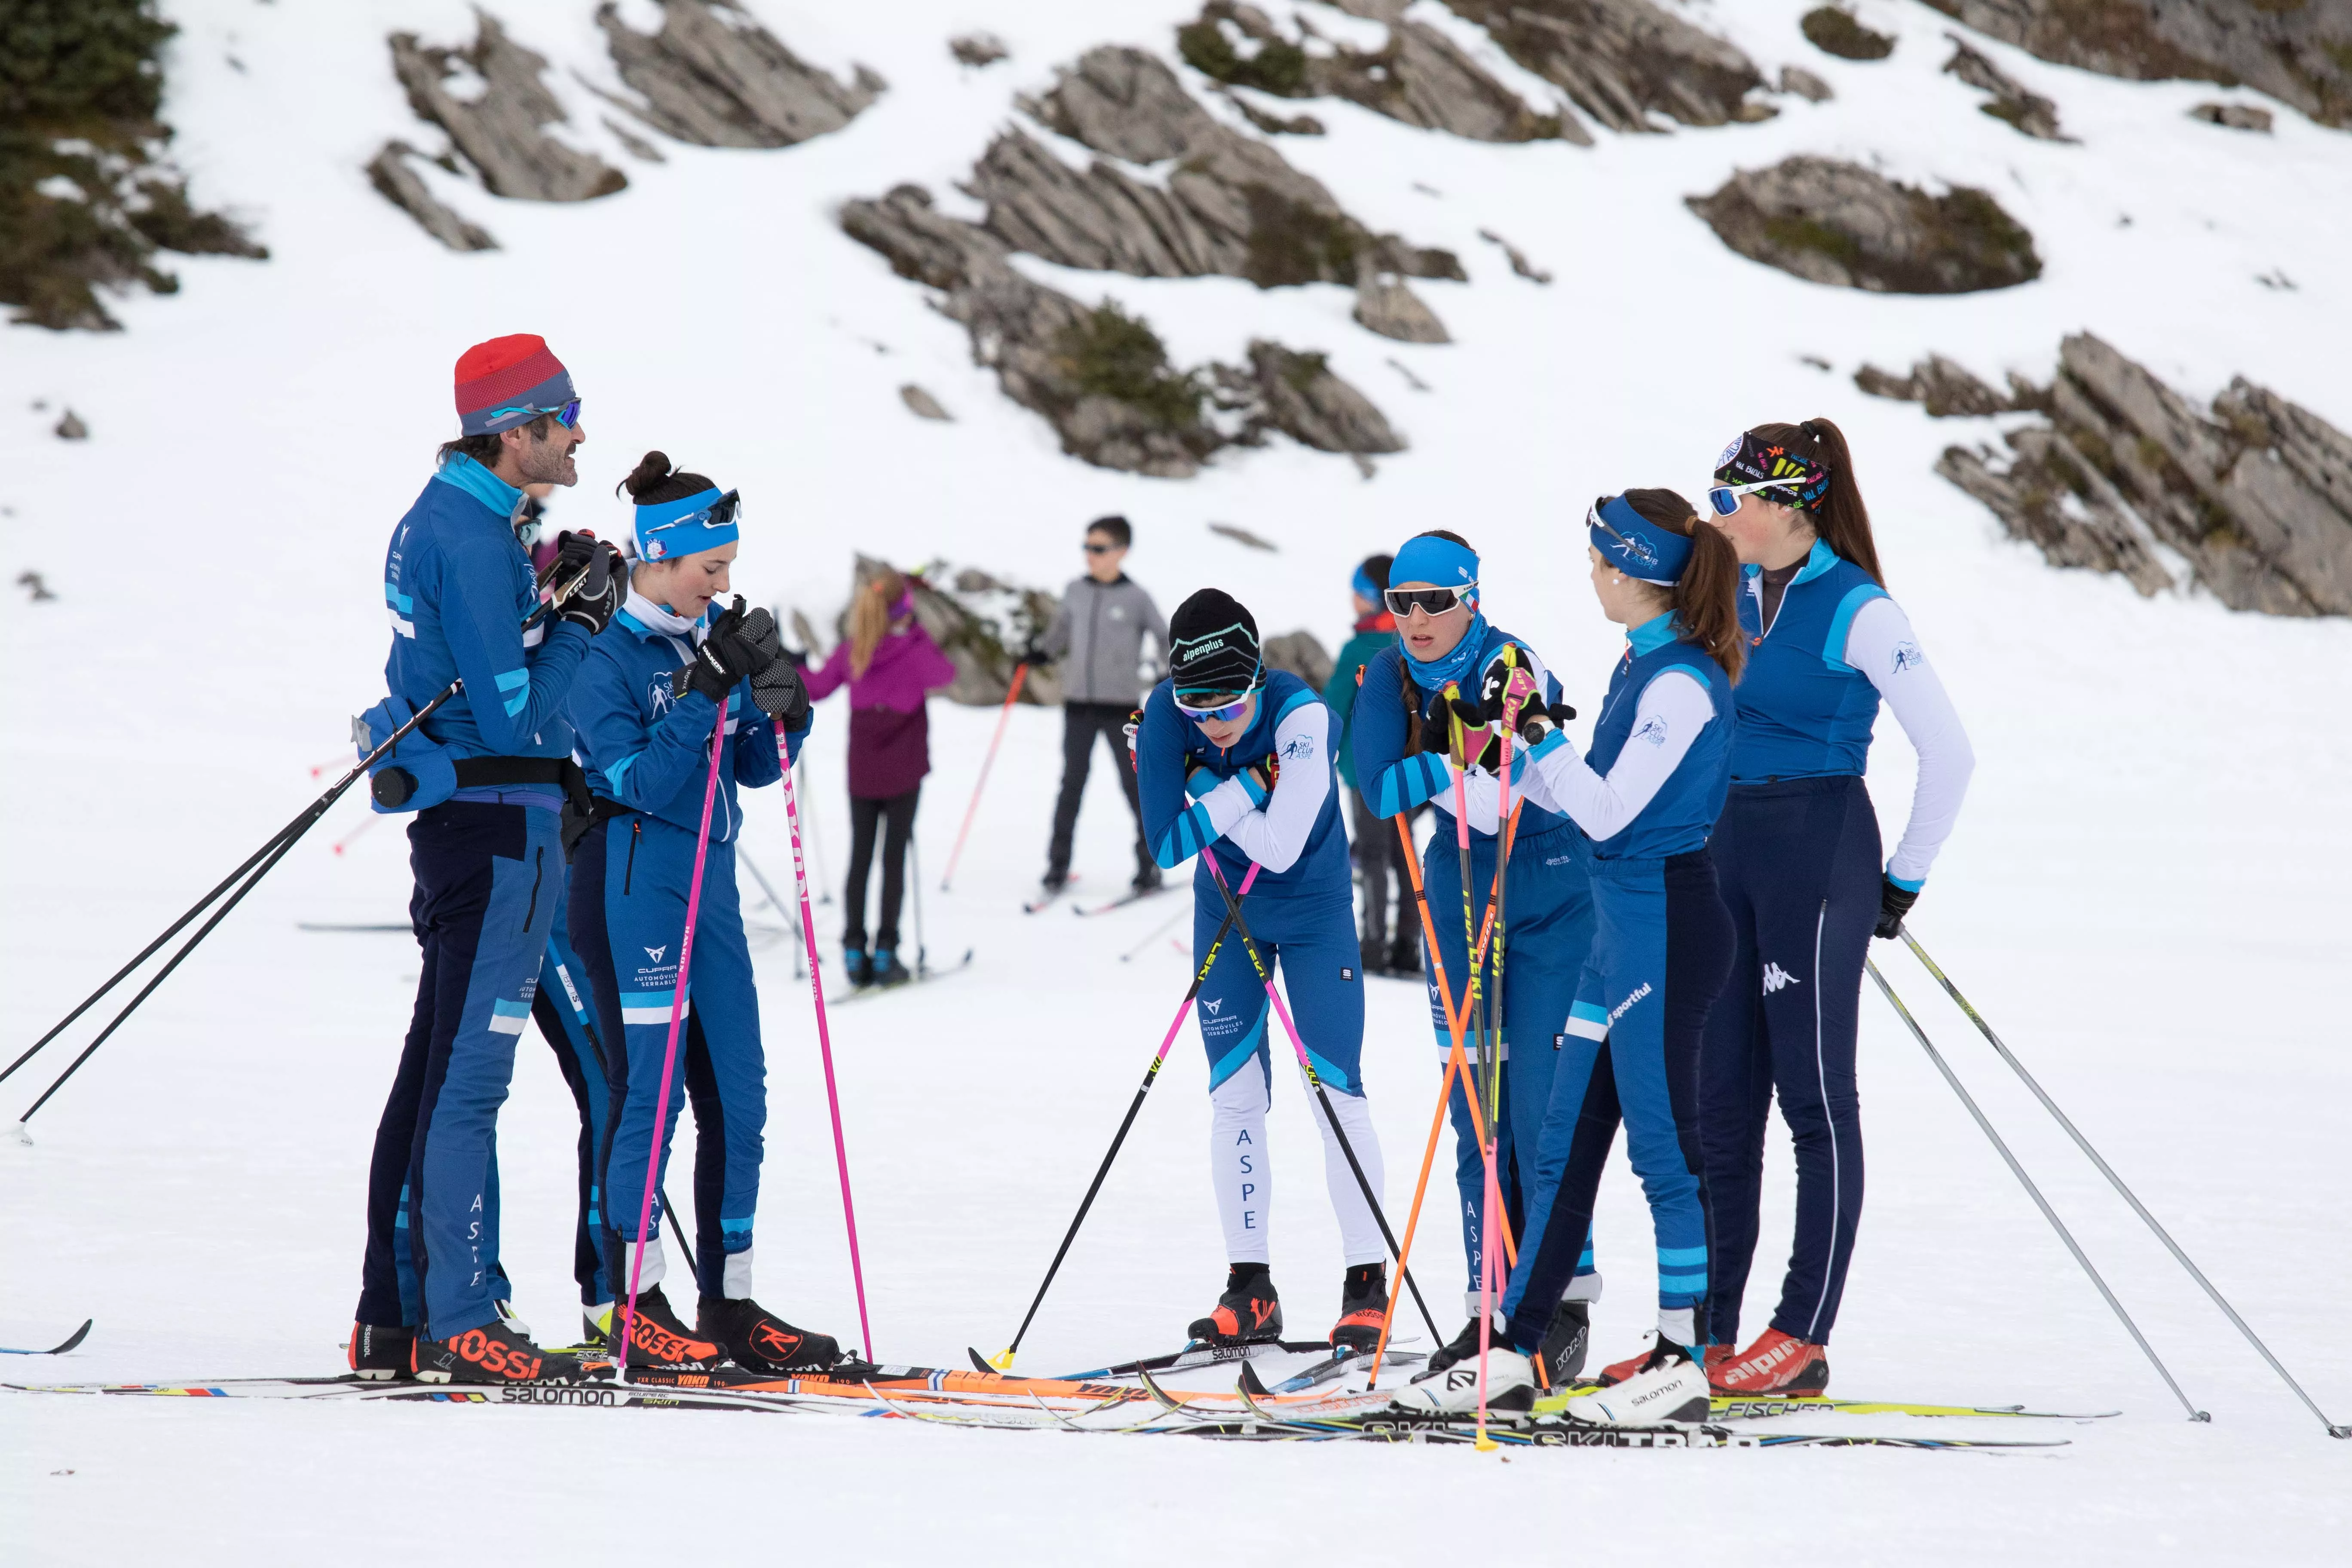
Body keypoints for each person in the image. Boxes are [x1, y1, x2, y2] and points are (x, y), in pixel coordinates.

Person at [1395, 490, 1743, 1421]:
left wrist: (1536, 729)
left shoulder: (1679, 681)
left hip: (1667, 922)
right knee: (1563, 1146)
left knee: (1664, 1152)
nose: (1592, 576)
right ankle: (1514, 1345)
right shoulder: (1641, 661)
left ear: (1637, 573)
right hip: (1616, 922)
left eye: (1601, 563)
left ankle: (1686, 1354)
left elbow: (1604, 811)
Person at [350, 334, 622, 1385]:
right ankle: (460, 1316)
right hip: (499, 823)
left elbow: (477, 664)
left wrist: (554, 596)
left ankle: (398, 1313)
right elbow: (517, 717)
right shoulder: (467, 536)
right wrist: (585, 626)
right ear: (516, 432)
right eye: (566, 417)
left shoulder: (465, 519)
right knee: (468, 1084)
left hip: (473, 822)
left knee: (433, 1073)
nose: (580, 432)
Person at [1694, 420, 1974, 1396]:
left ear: (1783, 506)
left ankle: (1800, 1332)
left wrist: (1902, 878)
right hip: (1723, 851)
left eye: (1730, 500)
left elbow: (1948, 751)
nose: (1716, 515)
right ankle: (1706, 1336)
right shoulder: (1718, 592)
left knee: (1811, 1099)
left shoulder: (1858, 609)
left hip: (1816, 849)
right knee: (1720, 1107)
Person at [567, 451, 840, 1375]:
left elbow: (757, 770)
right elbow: (638, 782)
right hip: (639, 884)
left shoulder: (704, 640)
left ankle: (731, 1302)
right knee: (651, 1095)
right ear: (656, 556)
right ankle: (632, 1303)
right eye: (708, 571)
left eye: (727, 569)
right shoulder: (607, 660)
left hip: (713, 887)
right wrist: (701, 696)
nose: (723, 585)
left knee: (740, 1092)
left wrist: (782, 710)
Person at [1349, 531, 1599, 1387]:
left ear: (1471, 599)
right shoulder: (1387, 675)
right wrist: (1443, 754)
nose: (1415, 620)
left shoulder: (1511, 663)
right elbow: (1372, 785)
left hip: (1551, 881)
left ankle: (1560, 1303)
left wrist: (1437, 762)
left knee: (1536, 1103)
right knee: (1473, 1105)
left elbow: (1508, 795)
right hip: (1456, 879)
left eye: (1434, 601)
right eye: (1401, 603)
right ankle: (1488, 1307)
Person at [1132, 590, 1391, 1350]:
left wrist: (1206, 794)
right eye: (1196, 710)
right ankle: (1250, 1288)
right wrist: (1246, 784)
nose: (1212, 724)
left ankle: (1365, 1283)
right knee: (1235, 1097)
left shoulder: (1302, 717)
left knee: (1334, 1095)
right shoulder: (1165, 717)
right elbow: (1166, 845)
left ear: (1256, 679)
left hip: (1312, 915)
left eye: (1230, 707)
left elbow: (1279, 847)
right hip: (1227, 915)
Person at [803, 565, 956, 988]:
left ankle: (854, 949)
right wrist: (920, 634)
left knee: (861, 856)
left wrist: (792, 666)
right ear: (906, 609)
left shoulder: (856, 649)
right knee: (894, 858)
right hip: (904, 770)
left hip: (864, 770)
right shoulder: (913, 651)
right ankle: (887, 950)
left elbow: (816, 688)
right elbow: (945, 675)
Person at [1032, 515, 1168, 902]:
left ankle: (1149, 866)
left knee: (1135, 786)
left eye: (1099, 548)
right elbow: (1059, 631)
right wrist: (1040, 650)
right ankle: (1057, 866)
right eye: (1087, 546)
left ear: (1121, 552)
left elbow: (1163, 636)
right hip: (1078, 704)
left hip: (1121, 707)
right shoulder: (1075, 590)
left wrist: (1167, 672)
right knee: (1071, 785)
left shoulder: (1137, 598)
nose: (1090, 555)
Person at [1323, 554, 1421, 978]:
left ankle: (1373, 944)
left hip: (1367, 776)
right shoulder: (1412, 645)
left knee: (1374, 855)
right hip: (1412, 772)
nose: (1353, 601)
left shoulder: (1358, 650)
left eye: (1360, 593)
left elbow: (1331, 710)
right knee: (1404, 854)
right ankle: (1408, 946)